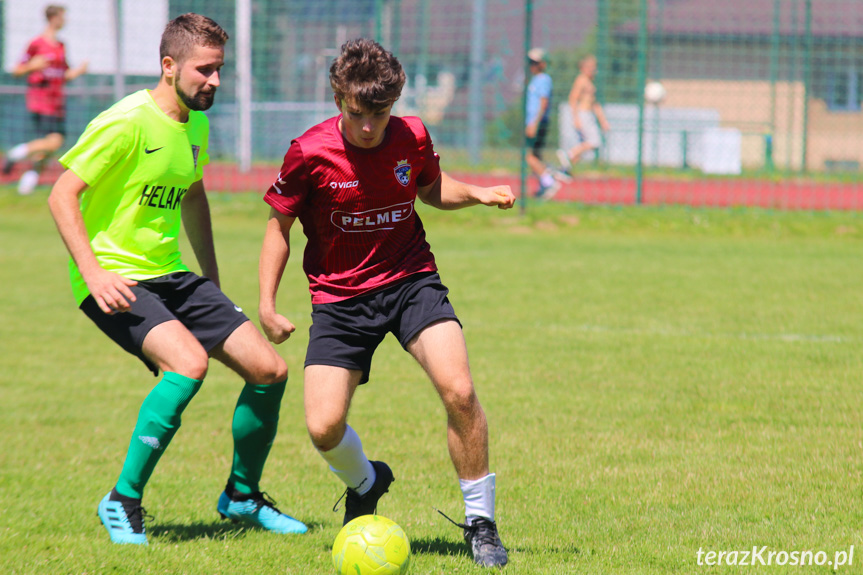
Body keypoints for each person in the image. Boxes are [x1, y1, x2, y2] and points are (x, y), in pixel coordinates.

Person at [47, 13, 307, 546]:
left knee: (269, 370)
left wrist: (210, 277)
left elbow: (191, 194)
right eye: (204, 70)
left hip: (173, 274)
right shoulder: (127, 122)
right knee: (187, 366)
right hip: (114, 278)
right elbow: (61, 194)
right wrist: (92, 273)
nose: (214, 81)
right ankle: (122, 501)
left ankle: (241, 496)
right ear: (169, 67)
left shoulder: (196, 123)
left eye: (219, 71)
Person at [258, 38, 513, 568]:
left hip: (411, 280)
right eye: (358, 113)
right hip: (340, 298)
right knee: (323, 427)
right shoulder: (308, 153)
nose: (369, 126)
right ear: (338, 100)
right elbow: (278, 226)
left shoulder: (412, 135)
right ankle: (366, 481)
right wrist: (267, 303)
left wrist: (480, 193)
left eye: (380, 112)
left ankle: (481, 523)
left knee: (460, 391)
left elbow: (431, 188)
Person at [3, 5, 88, 195]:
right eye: (63, 17)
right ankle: (16, 153)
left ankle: (26, 189)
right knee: (55, 142)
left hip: (57, 103)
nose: (65, 21)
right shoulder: (36, 44)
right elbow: (17, 70)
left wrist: (79, 71)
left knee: (47, 150)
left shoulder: (61, 46)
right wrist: (32, 65)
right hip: (41, 101)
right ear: (53, 18)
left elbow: (63, 74)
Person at [525, 47, 569, 199]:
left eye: (535, 63)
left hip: (538, 123)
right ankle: (543, 185)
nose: (532, 65)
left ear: (542, 64)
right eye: (530, 62)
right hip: (533, 122)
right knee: (536, 157)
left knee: (529, 156)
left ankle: (549, 180)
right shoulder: (535, 80)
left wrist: (534, 124)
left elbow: (543, 104)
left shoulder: (544, 80)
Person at [557, 54, 610, 174]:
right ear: (584, 68)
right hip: (583, 114)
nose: (594, 70)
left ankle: (565, 169)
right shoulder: (581, 80)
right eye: (591, 67)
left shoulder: (590, 82)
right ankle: (568, 154)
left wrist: (603, 121)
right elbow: (573, 99)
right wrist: (575, 118)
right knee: (594, 141)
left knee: (584, 145)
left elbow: (595, 104)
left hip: (588, 115)